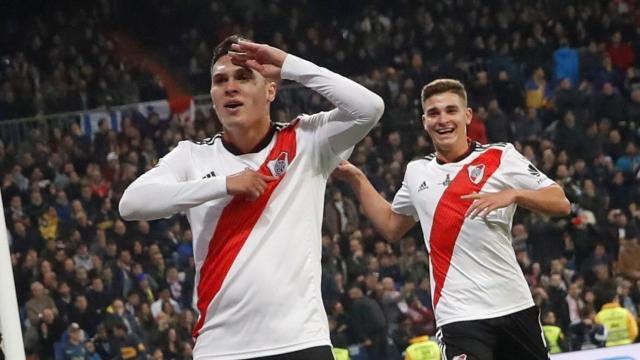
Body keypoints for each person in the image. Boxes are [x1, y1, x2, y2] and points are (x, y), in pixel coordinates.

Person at [119, 35, 384, 359]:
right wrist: (224, 184)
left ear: (271, 90)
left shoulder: (308, 140)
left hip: (301, 342)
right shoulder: (191, 157)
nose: (230, 86)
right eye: (220, 80)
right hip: (221, 348)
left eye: (243, 77)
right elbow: (131, 204)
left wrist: (288, 65)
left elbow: (369, 108)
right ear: (213, 97)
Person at [334, 79, 570, 359]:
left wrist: (515, 194)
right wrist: (357, 179)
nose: (443, 119)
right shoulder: (417, 171)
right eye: (434, 113)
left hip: (514, 304)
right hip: (459, 315)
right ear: (424, 121)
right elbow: (391, 226)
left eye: (451, 110)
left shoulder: (500, 157)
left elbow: (560, 202)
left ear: (467, 116)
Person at [595, 281, 638, 347]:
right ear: (614, 299)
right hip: (626, 345)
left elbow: (598, 335)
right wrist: (629, 341)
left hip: (608, 347)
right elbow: (634, 331)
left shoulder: (599, 316)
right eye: (617, 298)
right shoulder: (625, 312)